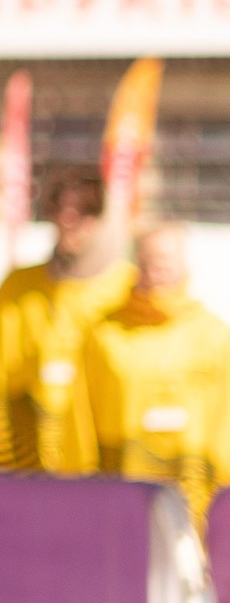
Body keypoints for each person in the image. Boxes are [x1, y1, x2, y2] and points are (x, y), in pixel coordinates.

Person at [0, 167, 128, 472]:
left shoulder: (127, 293)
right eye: (59, 209)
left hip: (101, 474)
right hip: (22, 467)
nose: (69, 220)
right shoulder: (17, 289)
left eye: (85, 211)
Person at [78, 225, 230, 533]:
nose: (156, 271)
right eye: (148, 261)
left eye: (165, 260)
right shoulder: (105, 336)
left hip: (195, 501)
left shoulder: (213, 336)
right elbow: (81, 421)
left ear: (184, 264)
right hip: (121, 497)